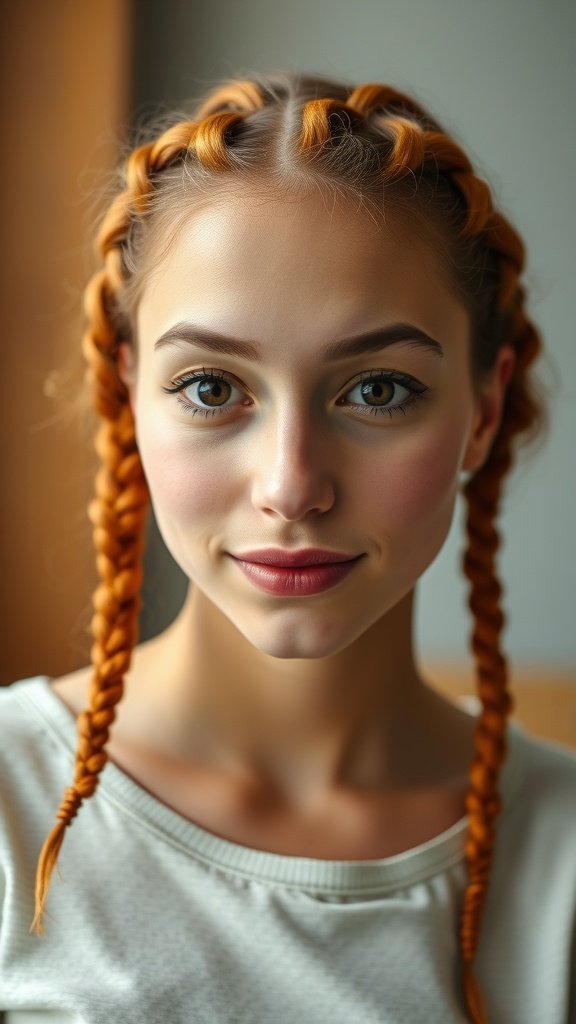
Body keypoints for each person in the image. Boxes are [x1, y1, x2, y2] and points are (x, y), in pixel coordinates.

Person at [0, 71, 574, 1024]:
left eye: (378, 390)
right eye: (213, 389)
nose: (291, 487)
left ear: (484, 409)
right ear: (130, 394)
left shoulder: (558, 852)